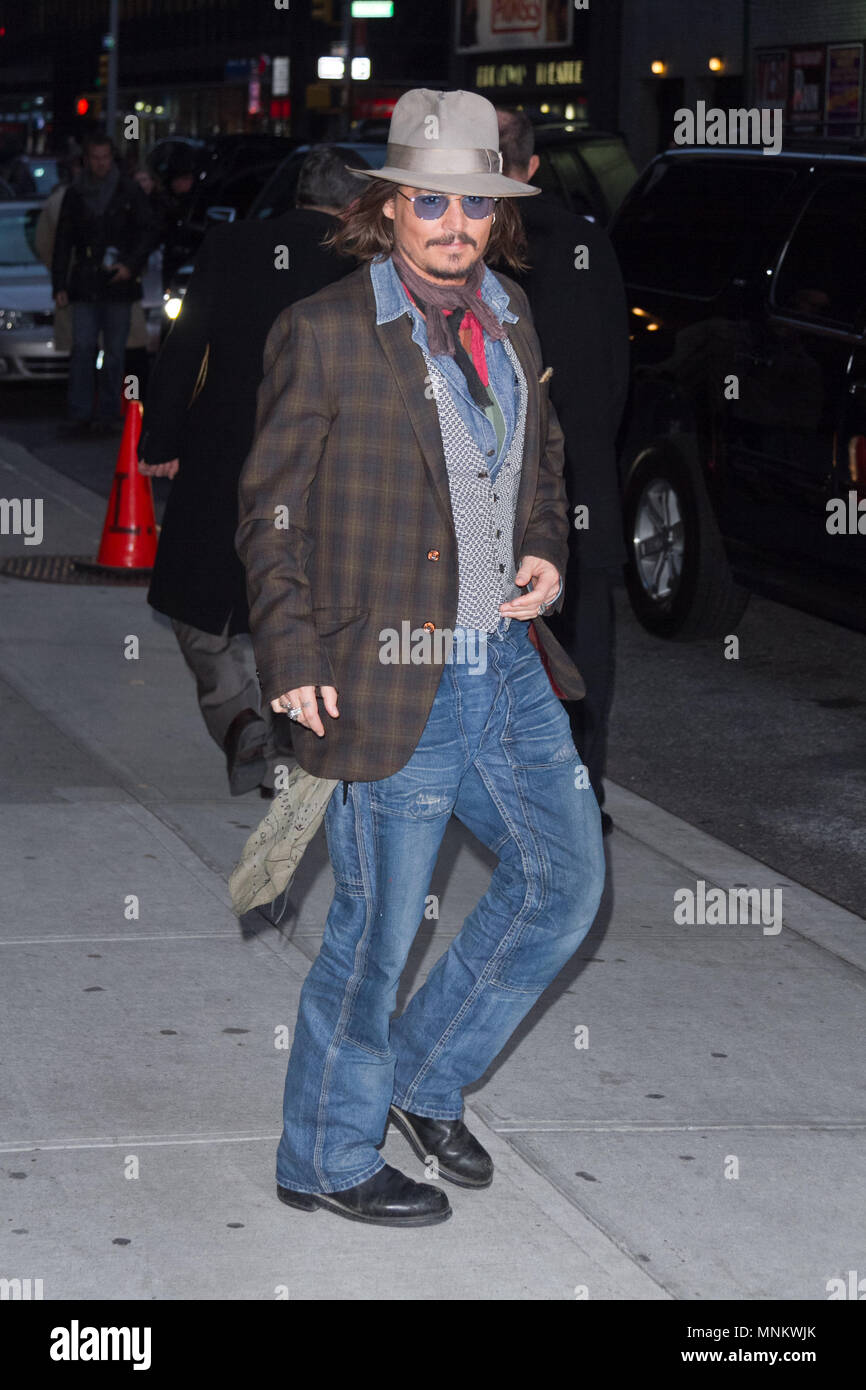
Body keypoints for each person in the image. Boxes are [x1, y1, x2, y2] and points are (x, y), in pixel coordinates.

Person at [235, 89, 606, 1228]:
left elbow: (539, 461)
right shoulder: (328, 329)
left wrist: (542, 550)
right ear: (389, 208)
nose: (453, 224)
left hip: (501, 665)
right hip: (384, 673)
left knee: (563, 883)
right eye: (429, 202)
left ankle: (421, 1077)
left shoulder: (512, 313)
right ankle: (324, 1156)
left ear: (496, 214)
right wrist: (291, 649)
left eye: (472, 205)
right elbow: (270, 508)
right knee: (377, 929)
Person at [138, 147, 369, 798]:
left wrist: (162, 437)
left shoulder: (230, 245)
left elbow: (184, 347)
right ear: (352, 208)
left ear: (298, 192)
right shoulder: (364, 268)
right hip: (321, 464)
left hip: (225, 454)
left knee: (197, 609)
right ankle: (291, 737)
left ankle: (239, 717)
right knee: (297, 599)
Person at [496, 108, 630, 831]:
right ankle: (581, 792)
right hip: (578, 484)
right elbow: (615, 376)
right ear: (534, 165)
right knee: (581, 642)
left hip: (488, 495)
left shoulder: (469, 247)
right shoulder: (586, 245)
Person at [51, 134, 153, 437]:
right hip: (86, 281)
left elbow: (148, 231)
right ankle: (82, 412)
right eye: (96, 158)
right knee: (83, 347)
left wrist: (130, 265)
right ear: (87, 159)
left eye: (105, 157)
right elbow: (63, 240)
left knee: (113, 352)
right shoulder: (77, 193)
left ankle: (107, 412)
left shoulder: (128, 191)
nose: (101, 163)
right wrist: (60, 283)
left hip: (115, 281)